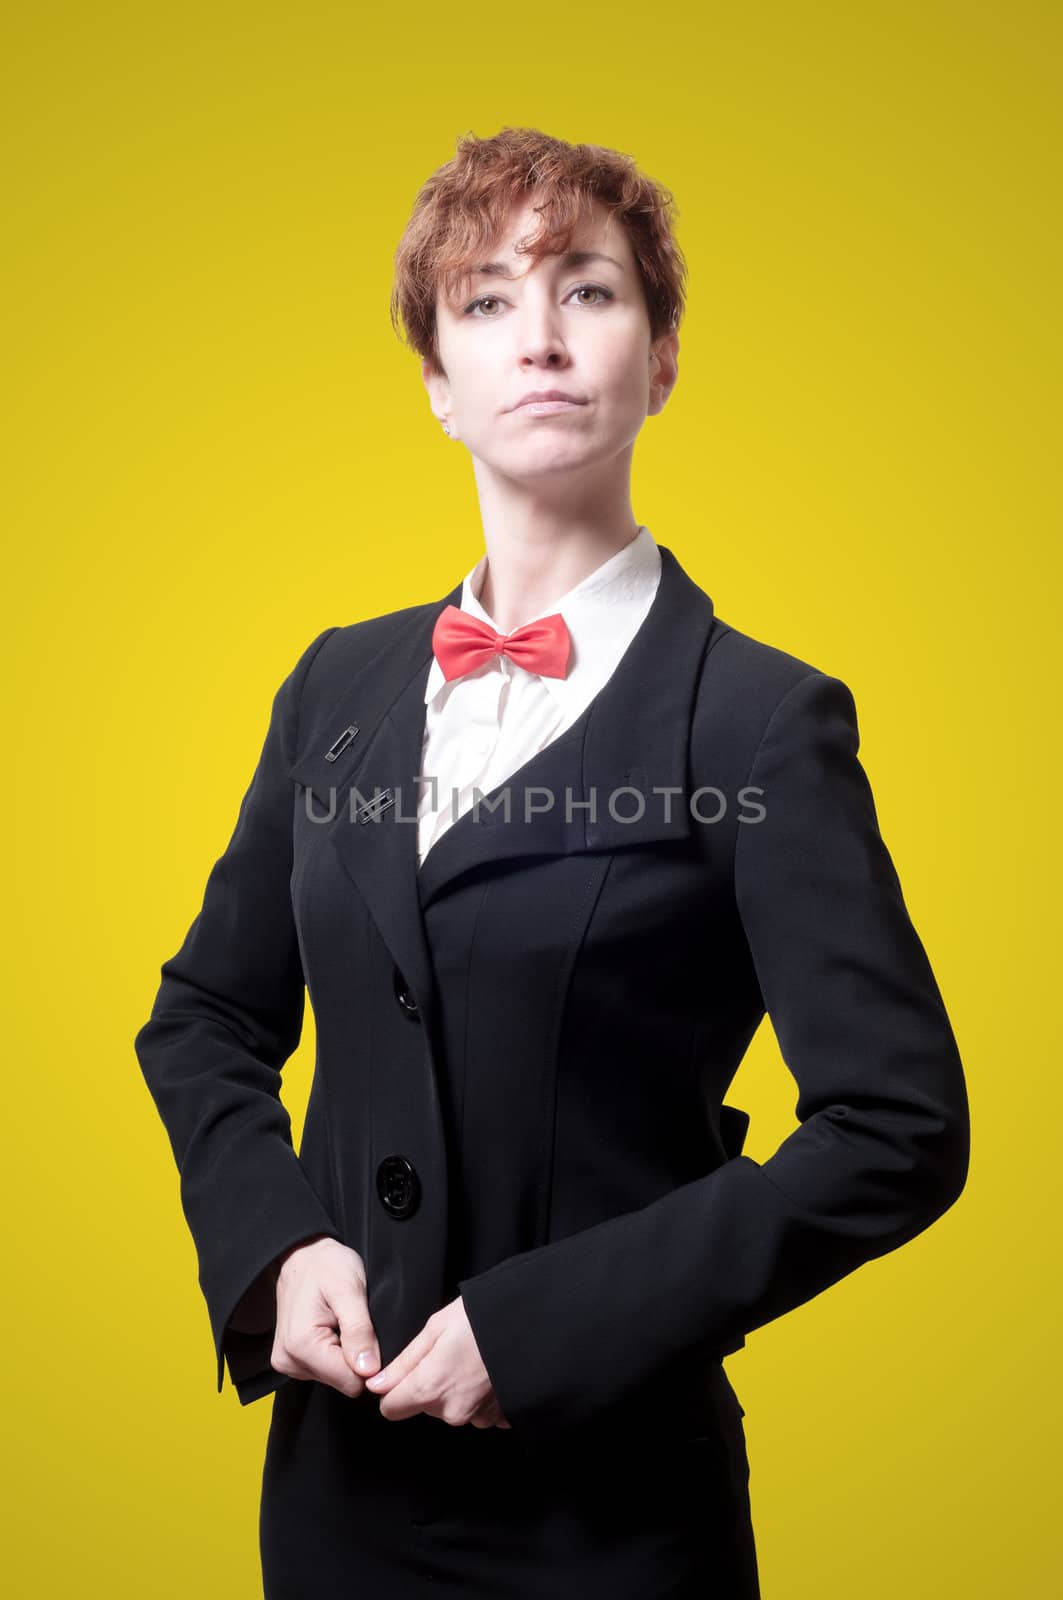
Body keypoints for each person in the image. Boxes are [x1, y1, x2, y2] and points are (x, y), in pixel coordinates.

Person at [135, 126, 970, 1599]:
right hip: (337, 1499)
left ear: (657, 361)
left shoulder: (765, 720)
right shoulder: (334, 687)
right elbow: (206, 1014)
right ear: (437, 390)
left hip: (611, 1516)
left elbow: (897, 1127)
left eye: (586, 291)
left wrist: (550, 1331)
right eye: (485, 303)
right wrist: (271, 1247)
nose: (538, 337)